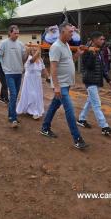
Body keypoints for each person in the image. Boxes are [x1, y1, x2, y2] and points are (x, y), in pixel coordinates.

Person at [40, 22, 89, 150]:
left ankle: (45, 128)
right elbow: (53, 69)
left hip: (66, 84)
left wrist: (78, 54)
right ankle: (77, 139)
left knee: (53, 106)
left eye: (72, 32)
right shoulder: (56, 47)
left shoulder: (66, 44)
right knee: (69, 111)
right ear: (62, 32)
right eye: (70, 32)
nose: (72, 34)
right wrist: (56, 87)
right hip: (60, 85)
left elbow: (69, 61)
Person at [77, 32, 111, 136]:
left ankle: (81, 119)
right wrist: (93, 54)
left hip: (97, 81)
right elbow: (87, 66)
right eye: (101, 39)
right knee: (96, 104)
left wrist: (109, 80)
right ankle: (104, 126)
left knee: (90, 101)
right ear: (94, 40)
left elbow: (103, 68)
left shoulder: (99, 51)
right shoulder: (87, 50)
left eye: (103, 39)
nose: (103, 41)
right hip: (90, 81)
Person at [0, 25, 26, 128]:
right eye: (15, 33)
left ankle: (11, 115)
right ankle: (13, 119)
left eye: (18, 33)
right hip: (9, 73)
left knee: (14, 96)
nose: (17, 35)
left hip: (19, 73)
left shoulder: (20, 44)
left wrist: (28, 52)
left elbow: (23, 59)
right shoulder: (4, 43)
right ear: (10, 33)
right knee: (14, 94)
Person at [16, 47, 49, 120]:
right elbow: (32, 61)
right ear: (30, 52)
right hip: (29, 79)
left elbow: (43, 68)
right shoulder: (29, 58)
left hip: (37, 80)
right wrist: (38, 52)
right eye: (33, 50)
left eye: (36, 50)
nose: (35, 51)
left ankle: (33, 110)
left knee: (37, 95)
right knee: (32, 94)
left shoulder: (40, 60)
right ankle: (34, 112)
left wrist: (47, 76)